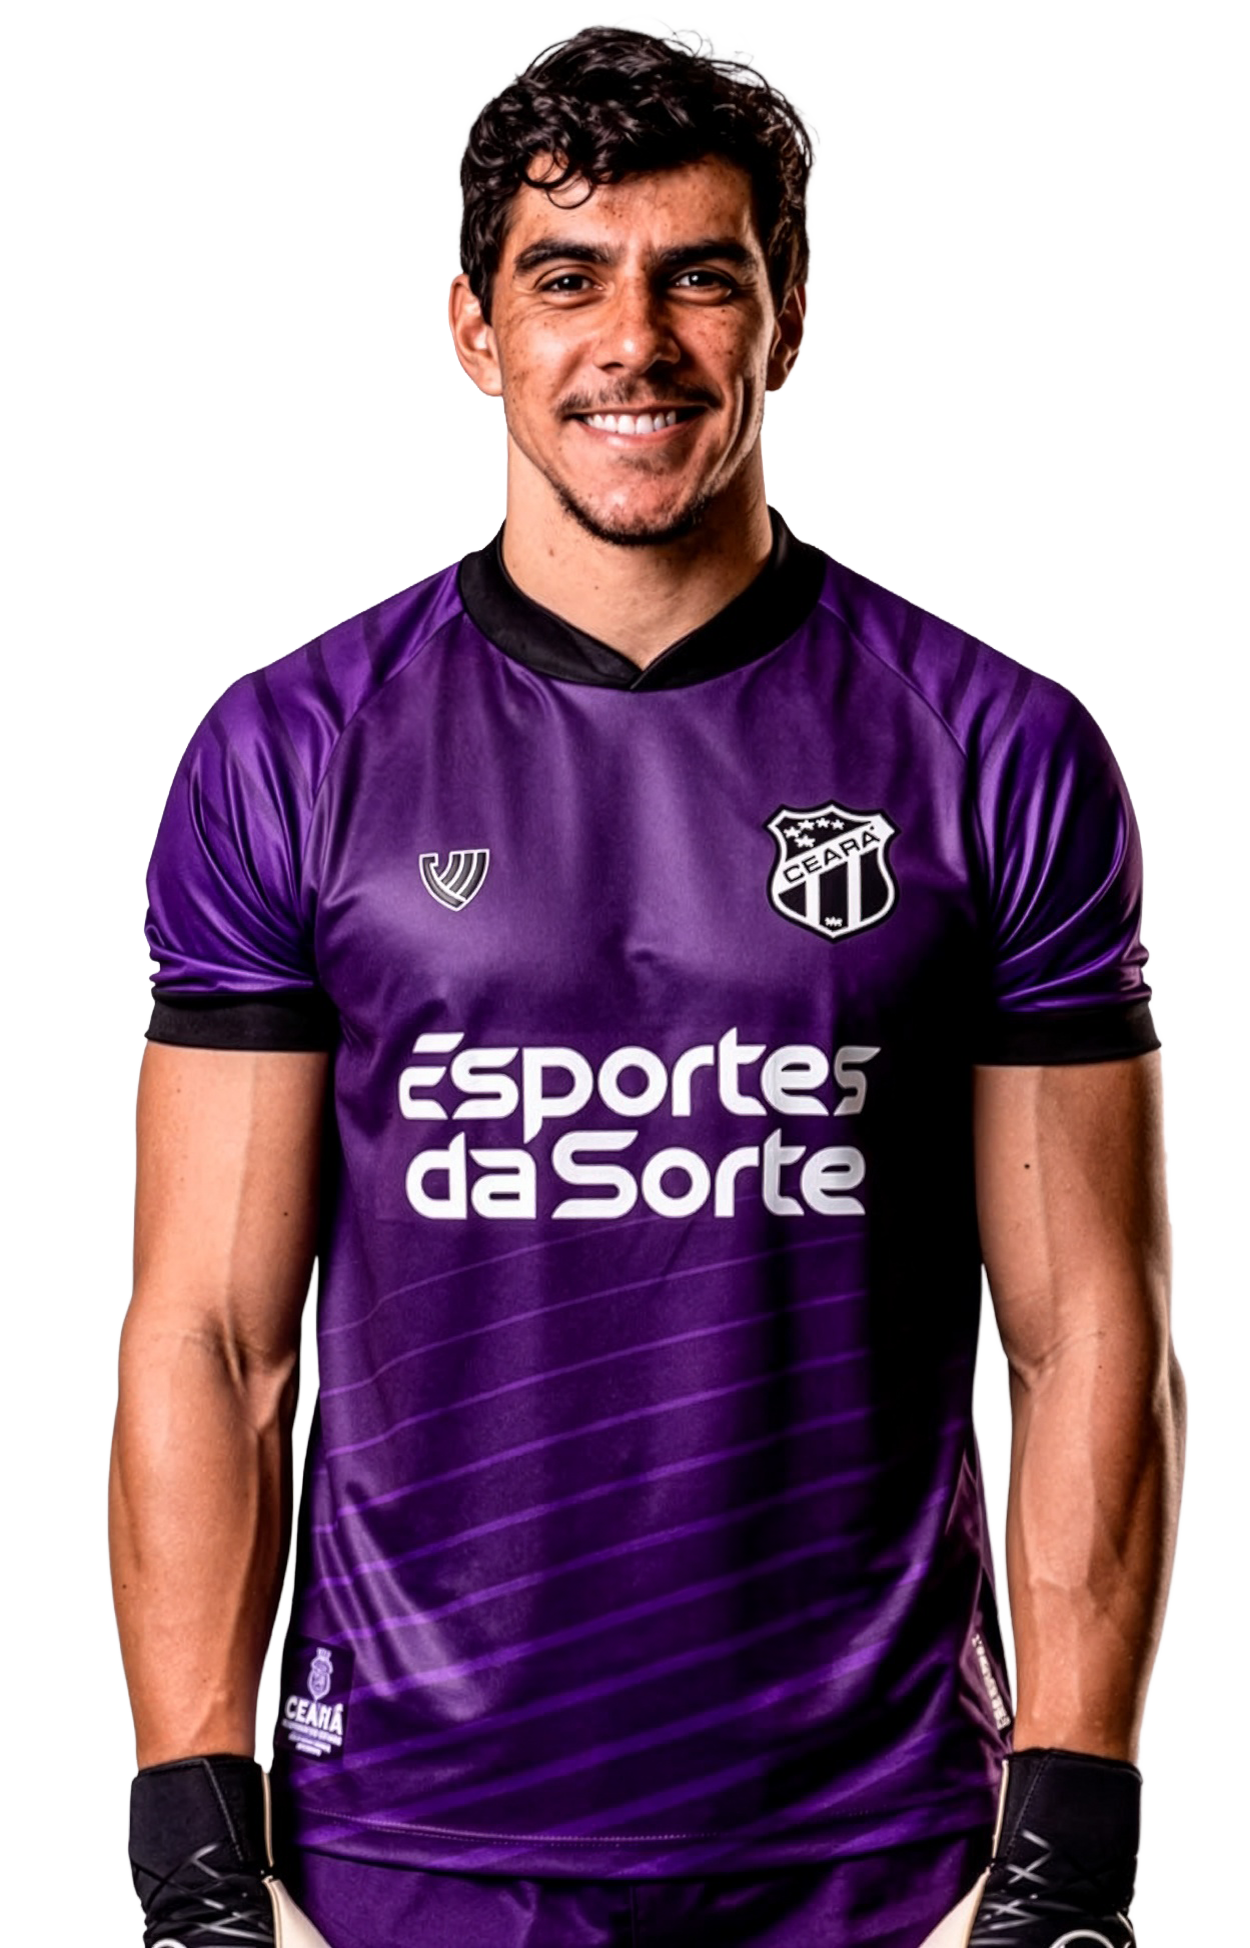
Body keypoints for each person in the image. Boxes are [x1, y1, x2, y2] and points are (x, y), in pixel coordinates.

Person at [110, 24, 1185, 1948]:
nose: (636, 342)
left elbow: (1087, 1327)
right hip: (408, 1840)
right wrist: (195, 1855)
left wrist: (1066, 1851)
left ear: (786, 320)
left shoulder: (992, 750)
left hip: (873, 1849)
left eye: (700, 277)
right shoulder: (295, 749)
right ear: (473, 328)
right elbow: (210, 1333)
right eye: (567, 280)